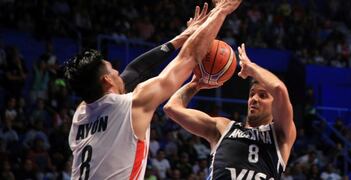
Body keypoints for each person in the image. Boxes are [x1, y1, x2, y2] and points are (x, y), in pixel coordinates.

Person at [64, 1, 243, 179]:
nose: (119, 72)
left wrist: (181, 38)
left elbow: (134, 71)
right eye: (113, 70)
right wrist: (221, 11)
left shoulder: (80, 113)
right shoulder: (131, 106)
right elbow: (189, 57)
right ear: (107, 80)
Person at [164, 43, 297, 179]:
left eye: (262, 95)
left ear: (274, 104)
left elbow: (279, 90)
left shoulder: (280, 135)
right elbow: (171, 108)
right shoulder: (223, 128)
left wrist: (251, 68)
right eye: (252, 94)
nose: (254, 99)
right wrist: (195, 85)